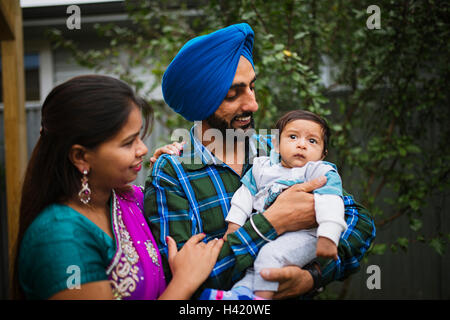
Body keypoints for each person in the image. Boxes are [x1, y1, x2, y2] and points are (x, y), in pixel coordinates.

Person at [145, 23, 376, 299]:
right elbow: (181, 282)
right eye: (234, 94)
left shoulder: (276, 150)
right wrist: (271, 223)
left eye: (252, 87)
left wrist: (311, 276)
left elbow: (359, 223)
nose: (252, 104)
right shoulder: (172, 174)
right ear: (200, 103)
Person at [15, 75, 223, 300]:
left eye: (140, 137)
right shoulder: (59, 240)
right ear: (80, 156)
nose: (142, 149)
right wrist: (184, 282)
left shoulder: (127, 200)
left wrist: (167, 174)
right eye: (128, 142)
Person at [202, 110, 347, 300]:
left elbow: (332, 201)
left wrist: (328, 236)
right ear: (277, 145)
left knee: (269, 256)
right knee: (254, 264)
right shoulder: (263, 168)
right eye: (293, 137)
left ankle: (261, 299)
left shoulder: (318, 171)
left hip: (305, 235)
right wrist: (234, 225)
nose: (302, 145)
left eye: (312, 141)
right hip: (271, 233)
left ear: (323, 154)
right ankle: (240, 294)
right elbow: (244, 195)